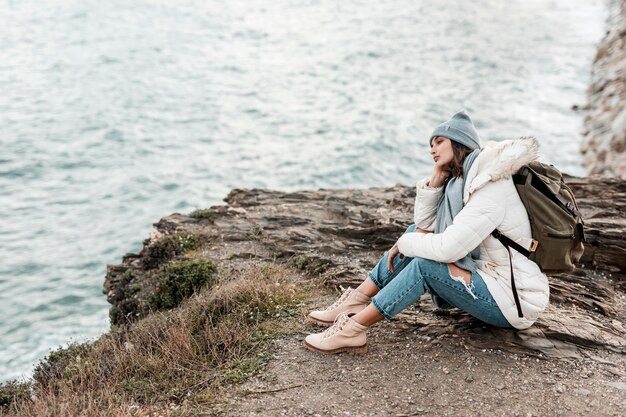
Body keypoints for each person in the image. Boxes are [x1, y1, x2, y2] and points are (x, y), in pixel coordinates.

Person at [303, 110, 550, 354]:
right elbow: (423, 226)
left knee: (425, 265)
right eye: (431, 144)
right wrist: (436, 181)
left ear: (460, 143)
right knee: (415, 235)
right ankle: (356, 300)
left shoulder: (490, 187)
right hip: (489, 278)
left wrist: (405, 243)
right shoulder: (460, 183)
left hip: (513, 301)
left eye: (439, 142)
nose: (432, 149)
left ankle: (353, 330)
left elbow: (448, 249)